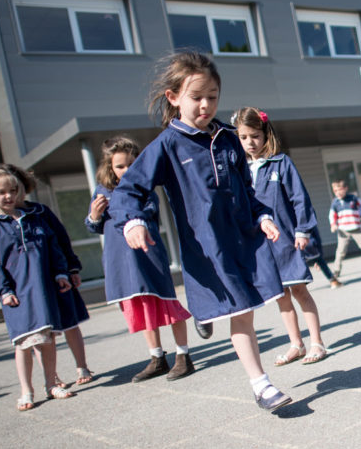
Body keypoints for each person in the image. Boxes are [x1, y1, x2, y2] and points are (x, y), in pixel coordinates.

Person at [110, 51, 291, 412]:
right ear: (174, 97)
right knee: (241, 311)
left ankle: (208, 315)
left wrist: (262, 217)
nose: (206, 104)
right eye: (196, 97)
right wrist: (132, 221)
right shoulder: (167, 145)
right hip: (208, 249)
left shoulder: (227, 137)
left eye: (213, 96)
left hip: (245, 240)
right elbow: (128, 190)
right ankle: (261, 385)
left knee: (246, 309)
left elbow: (247, 191)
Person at [86, 136, 194, 382]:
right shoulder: (102, 192)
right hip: (121, 260)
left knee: (167, 303)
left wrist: (122, 210)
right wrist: (94, 215)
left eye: (131, 164)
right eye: (120, 166)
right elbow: (94, 227)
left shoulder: (143, 190)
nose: (126, 170)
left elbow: (146, 213)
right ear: (110, 168)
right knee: (140, 307)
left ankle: (183, 355)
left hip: (147, 254)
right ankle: (157, 358)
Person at [0, 167, 77, 411]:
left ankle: (52, 384)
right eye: (1, 192)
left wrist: (61, 272)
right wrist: (3, 290)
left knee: (47, 338)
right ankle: (26, 390)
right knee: (24, 344)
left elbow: (53, 247)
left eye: (13, 190)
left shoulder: (34, 218)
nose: (9, 196)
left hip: (42, 290)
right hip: (16, 295)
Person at [233, 106, 329, 365]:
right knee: (280, 296)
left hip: (286, 239)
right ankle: (296, 344)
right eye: (243, 137)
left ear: (265, 135)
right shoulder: (239, 171)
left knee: (298, 289)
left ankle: (317, 342)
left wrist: (303, 230)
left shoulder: (281, 162)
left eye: (255, 136)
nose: (250, 143)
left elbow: (299, 197)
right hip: (259, 244)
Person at [0, 164, 95, 387]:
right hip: (31, 285)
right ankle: (53, 377)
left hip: (58, 276)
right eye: (6, 190)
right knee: (39, 332)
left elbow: (61, 240)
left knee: (70, 322)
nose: (13, 194)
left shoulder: (40, 212)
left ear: (24, 187)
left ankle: (82, 366)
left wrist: (71, 268)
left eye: (16, 188)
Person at [329, 179, 361, 277]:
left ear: (345, 189)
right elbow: (332, 215)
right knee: (341, 251)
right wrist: (333, 224)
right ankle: (336, 270)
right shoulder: (335, 202)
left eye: (340, 190)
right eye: (335, 191)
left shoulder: (353, 198)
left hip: (355, 228)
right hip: (343, 230)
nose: (338, 193)